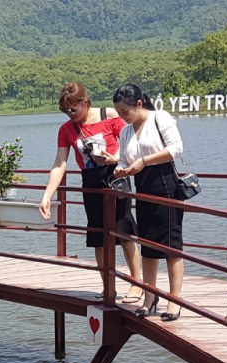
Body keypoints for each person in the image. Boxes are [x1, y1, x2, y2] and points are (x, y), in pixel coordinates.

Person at [38, 82, 143, 303]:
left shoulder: (110, 115)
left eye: (72, 109)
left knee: (124, 232)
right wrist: (47, 195)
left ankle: (136, 285)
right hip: (91, 181)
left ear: (85, 102)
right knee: (98, 236)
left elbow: (131, 146)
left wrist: (114, 158)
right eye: (64, 111)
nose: (69, 114)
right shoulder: (66, 130)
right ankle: (108, 287)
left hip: (116, 176)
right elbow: (60, 163)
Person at [111, 83, 185, 322]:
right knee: (148, 246)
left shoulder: (159, 118)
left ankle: (175, 301)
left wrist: (144, 160)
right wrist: (121, 169)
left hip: (166, 186)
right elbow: (123, 159)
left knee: (171, 246)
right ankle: (150, 297)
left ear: (139, 103)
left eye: (125, 112)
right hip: (141, 188)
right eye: (119, 112)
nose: (122, 117)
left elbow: (176, 149)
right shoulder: (125, 131)